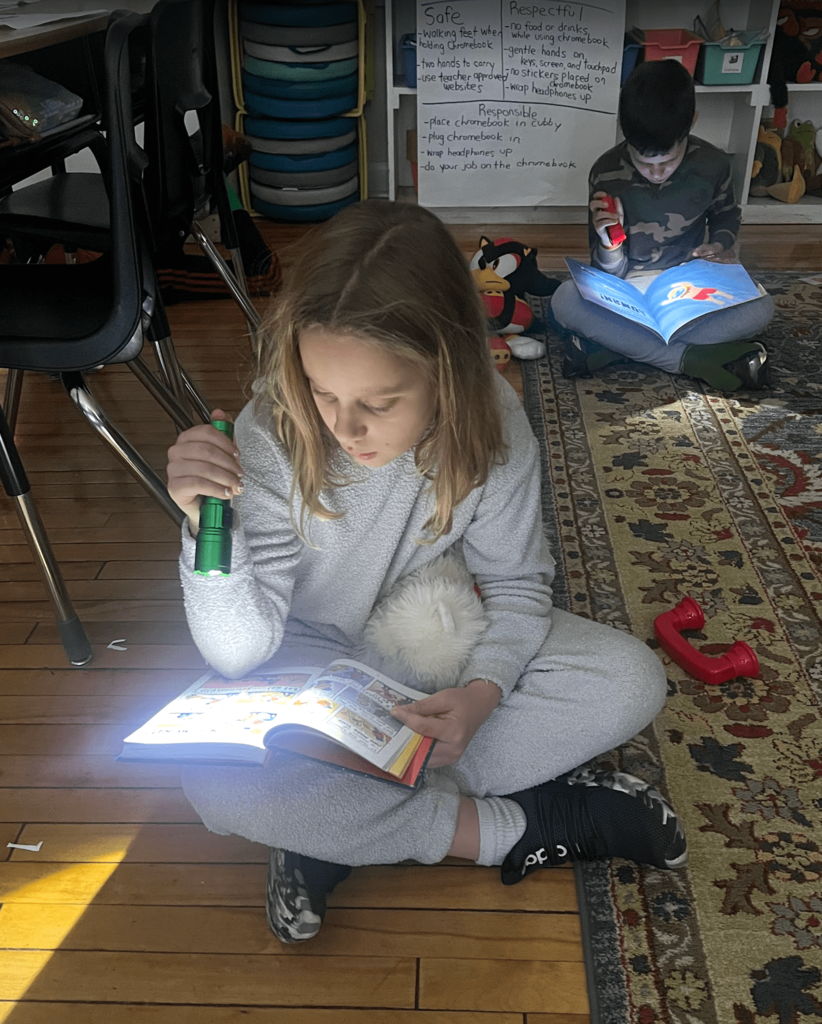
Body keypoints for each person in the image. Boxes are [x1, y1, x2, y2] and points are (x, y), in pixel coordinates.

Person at [166, 199, 687, 946]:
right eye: (322, 391)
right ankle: (519, 826)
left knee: (631, 680)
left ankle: (335, 828)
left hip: (433, 647)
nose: (344, 430)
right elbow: (238, 653)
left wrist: (481, 693)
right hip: (305, 665)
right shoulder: (271, 438)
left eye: (379, 403)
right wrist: (202, 532)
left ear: (445, 372)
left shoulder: (492, 419)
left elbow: (514, 587)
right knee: (213, 784)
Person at [550, 59, 774, 392]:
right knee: (564, 300)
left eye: (668, 161)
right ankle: (694, 359)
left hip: (689, 289)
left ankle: (613, 348)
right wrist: (609, 246)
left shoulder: (713, 164)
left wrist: (719, 246)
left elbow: (727, 215)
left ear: (691, 123)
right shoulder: (606, 172)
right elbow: (605, 273)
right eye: (643, 161)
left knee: (762, 306)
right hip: (628, 290)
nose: (656, 173)